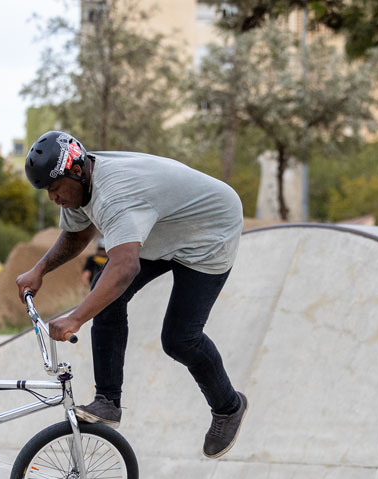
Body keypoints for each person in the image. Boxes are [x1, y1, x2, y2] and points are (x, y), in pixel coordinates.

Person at [15, 130, 248, 459]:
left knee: (180, 338)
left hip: (209, 232)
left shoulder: (115, 195)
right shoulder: (81, 183)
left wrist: (77, 317)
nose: (53, 198)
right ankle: (108, 402)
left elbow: (125, 269)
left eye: (54, 188)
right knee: (105, 295)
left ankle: (229, 407)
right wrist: (39, 270)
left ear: (77, 171)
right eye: (47, 192)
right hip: (164, 227)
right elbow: (76, 234)